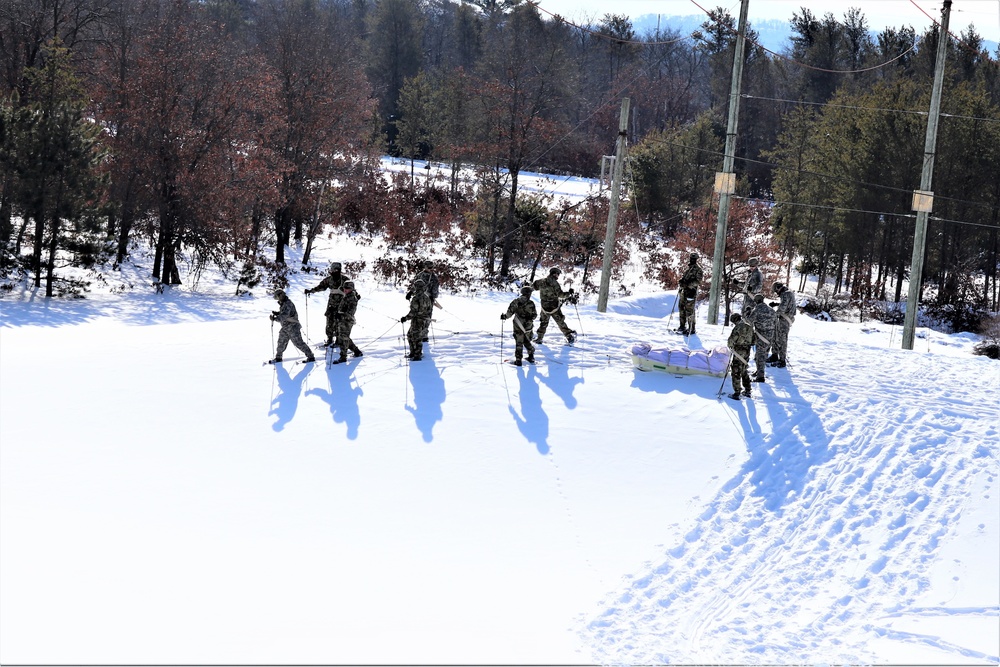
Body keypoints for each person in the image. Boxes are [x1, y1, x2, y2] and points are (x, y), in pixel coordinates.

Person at [305, 261, 352, 348]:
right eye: (331, 269)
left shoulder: (345, 280)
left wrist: (354, 298)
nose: (331, 271)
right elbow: (320, 287)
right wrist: (311, 291)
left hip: (342, 304)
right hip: (331, 304)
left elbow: (351, 290)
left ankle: (338, 340)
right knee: (329, 321)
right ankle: (329, 339)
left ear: (337, 270)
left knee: (339, 322)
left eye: (333, 269)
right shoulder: (329, 279)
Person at [532, 267, 576, 345]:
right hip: (554, 307)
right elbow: (561, 295)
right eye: (558, 274)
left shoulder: (541, 281)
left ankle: (539, 338)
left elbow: (533, 287)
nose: (558, 276)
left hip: (544, 306)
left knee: (543, 323)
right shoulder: (555, 283)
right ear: (554, 274)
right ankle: (569, 336)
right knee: (560, 322)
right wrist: (569, 293)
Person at [269, 290, 315, 364]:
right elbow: (285, 313)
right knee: (281, 342)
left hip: (293, 327)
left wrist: (275, 318)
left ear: (281, 295)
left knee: (299, 343)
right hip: (285, 327)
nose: (277, 298)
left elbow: (284, 316)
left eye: (277, 297)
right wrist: (277, 313)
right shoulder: (283, 303)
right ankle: (278, 358)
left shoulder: (288, 304)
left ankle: (311, 357)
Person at [501, 286, 537, 366]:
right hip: (528, 326)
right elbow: (535, 315)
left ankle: (518, 360)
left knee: (519, 342)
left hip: (518, 325)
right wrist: (529, 319)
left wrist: (504, 317)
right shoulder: (531, 303)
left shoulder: (516, 302)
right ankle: (531, 356)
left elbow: (509, 313)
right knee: (526, 340)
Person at [400, 278, 434, 361]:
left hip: (417, 320)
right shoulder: (427, 297)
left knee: (416, 337)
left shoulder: (416, 298)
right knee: (410, 335)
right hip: (424, 320)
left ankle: (417, 355)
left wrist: (405, 318)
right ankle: (413, 353)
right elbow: (430, 309)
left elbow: (413, 312)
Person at [746, 293, 777, 382]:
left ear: (756, 301)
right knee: (764, 355)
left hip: (761, 337)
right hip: (770, 337)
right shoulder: (771, 310)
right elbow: (775, 322)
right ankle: (759, 371)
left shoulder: (756, 310)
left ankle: (760, 377)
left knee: (759, 356)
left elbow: (749, 322)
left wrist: (748, 313)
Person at [331, 281, 363, 364]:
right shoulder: (347, 296)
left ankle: (343, 357)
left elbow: (350, 313)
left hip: (347, 321)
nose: (345, 290)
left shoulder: (352, 299)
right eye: (344, 288)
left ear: (351, 289)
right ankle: (356, 351)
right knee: (344, 337)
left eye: (347, 288)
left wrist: (340, 315)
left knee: (343, 338)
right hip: (342, 320)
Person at [726, 312, 754, 400]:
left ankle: (737, 392)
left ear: (734, 320)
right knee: (744, 369)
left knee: (736, 371)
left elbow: (731, 340)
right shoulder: (749, 326)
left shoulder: (738, 327)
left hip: (738, 350)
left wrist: (731, 345)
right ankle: (748, 390)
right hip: (747, 350)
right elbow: (754, 340)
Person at [769, 282, 796, 368]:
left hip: (784, 320)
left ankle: (782, 360)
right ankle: (774, 355)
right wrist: (776, 304)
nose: (777, 293)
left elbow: (782, 309)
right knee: (775, 336)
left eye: (776, 291)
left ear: (778, 288)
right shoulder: (788, 293)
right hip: (784, 319)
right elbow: (787, 304)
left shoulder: (785, 294)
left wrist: (773, 316)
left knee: (782, 340)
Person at [677, 253, 703, 335]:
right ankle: (682, 326)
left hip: (691, 293)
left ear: (696, 259)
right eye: (691, 258)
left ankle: (692, 328)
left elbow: (698, 281)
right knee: (681, 309)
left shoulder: (698, 270)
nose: (692, 259)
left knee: (690, 311)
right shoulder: (688, 269)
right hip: (683, 292)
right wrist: (682, 281)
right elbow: (685, 279)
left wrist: (687, 284)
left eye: (694, 258)